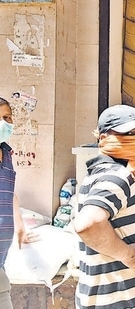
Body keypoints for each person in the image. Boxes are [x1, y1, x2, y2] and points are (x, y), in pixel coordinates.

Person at [72, 104, 135, 309]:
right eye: (129, 134)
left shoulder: (102, 174)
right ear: (103, 139)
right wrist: (128, 255)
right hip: (115, 300)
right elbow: (87, 224)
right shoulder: (116, 176)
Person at [0, 97, 33, 309]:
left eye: (9, 117)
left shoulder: (6, 153)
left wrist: (19, 227)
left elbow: (8, 191)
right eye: (2, 118)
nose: (7, 123)